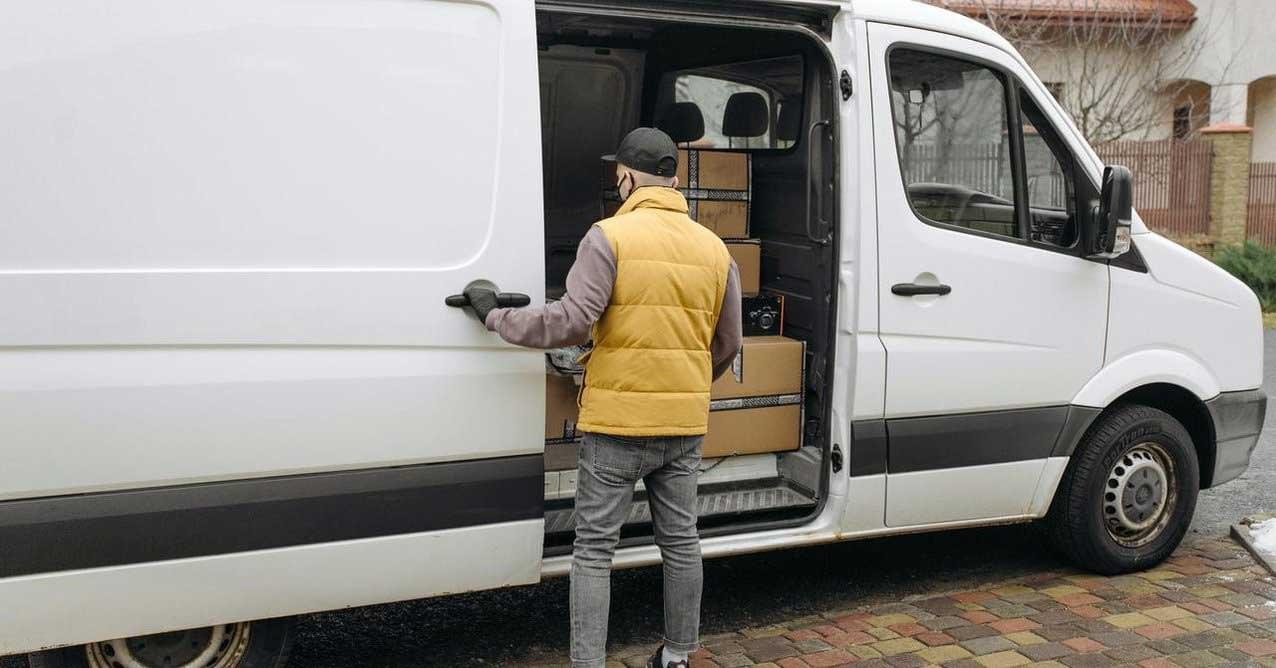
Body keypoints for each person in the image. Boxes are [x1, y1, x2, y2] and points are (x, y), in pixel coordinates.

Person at [462, 127, 742, 668]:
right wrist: (688, 382)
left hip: (617, 425)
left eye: (619, 175)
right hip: (683, 424)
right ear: (673, 181)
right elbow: (729, 341)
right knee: (681, 542)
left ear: (628, 178)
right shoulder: (715, 248)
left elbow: (570, 321)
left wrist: (496, 316)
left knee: (594, 550)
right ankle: (677, 656)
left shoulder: (608, 237)